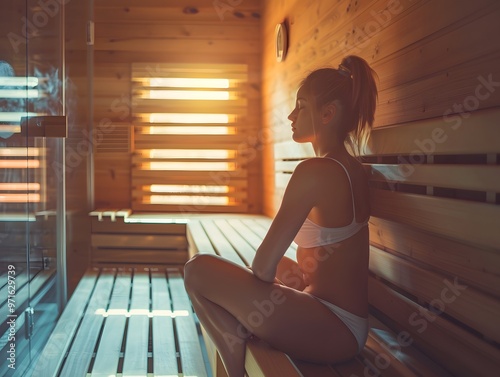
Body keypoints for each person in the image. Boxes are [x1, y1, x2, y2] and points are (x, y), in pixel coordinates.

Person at [184, 55, 378, 377]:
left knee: (197, 270)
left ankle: (233, 360)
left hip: (331, 330)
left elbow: (262, 267)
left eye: (301, 106)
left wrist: (260, 282)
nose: (291, 115)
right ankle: (238, 337)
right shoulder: (352, 168)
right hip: (347, 325)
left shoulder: (314, 172)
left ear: (328, 113)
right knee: (284, 268)